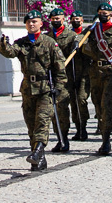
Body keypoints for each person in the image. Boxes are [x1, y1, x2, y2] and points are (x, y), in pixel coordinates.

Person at [0, 10, 68, 171]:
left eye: (35, 21)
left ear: (41, 24)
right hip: (28, 89)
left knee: (42, 122)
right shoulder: (21, 42)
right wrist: (3, 44)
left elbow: (60, 67)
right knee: (31, 124)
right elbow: (10, 52)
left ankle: (37, 152)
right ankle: (39, 158)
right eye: (29, 22)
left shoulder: (50, 42)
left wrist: (59, 87)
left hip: (45, 89)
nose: (31, 24)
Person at [82, 3, 112, 155]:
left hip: (111, 71)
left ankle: (106, 141)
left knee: (107, 105)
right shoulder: (93, 29)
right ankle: (104, 133)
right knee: (98, 105)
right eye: (100, 12)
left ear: (111, 14)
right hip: (95, 72)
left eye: (106, 12)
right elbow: (81, 41)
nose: (103, 14)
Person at [45, 8, 77, 152]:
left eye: (58, 18)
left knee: (63, 108)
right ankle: (59, 138)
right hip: (52, 78)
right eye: (53, 19)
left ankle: (65, 138)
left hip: (66, 78)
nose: (56, 21)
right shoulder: (48, 37)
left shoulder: (71, 36)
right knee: (54, 110)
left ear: (64, 19)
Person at [69, 10, 92, 141]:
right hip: (71, 73)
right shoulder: (69, 35)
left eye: (78, 18)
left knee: (81, 99)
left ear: (82, 20)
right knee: (74, 102)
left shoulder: (86, 34)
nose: (76, 20)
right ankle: (78, 127)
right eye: (73, 19)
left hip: (85, 73)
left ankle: (84, 126)